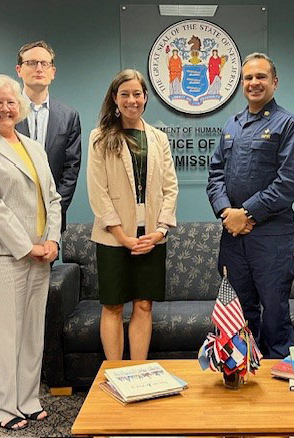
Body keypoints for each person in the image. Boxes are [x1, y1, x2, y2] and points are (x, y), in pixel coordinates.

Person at [0, 74, 61, 430]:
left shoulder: (33, 147)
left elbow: (52, 198)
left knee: (32, 331)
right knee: (4, 333)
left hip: (40, 253)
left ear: (20, 108)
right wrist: (27, 246)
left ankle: (27, 400)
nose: (5, 108)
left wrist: (53, 241)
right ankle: (2, 407)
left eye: (11, 102)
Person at [206, 52, 294, 359]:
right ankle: (241, 378)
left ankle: (277, 394)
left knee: (275, 314)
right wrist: (227, 213)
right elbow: (215, 176)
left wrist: (246, 213)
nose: (254, 83)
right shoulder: (231, 125)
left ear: (274, 82)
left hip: (271, 239)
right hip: (234, 239)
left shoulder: (288, 125)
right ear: (241, 84)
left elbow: (288, 182)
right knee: (238, 315)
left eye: (261, 77)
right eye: (248, 78)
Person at [87, 69, 178, 361]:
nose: (131, 100)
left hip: (151, 237)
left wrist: (161, 230)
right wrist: (122, 236)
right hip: (114, 238)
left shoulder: (159, 138)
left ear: (146, 98)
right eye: (125, 94)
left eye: (137, 94)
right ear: (115, 98)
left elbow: (170, 188)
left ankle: (137, 370)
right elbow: (98, 191)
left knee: (144, 305)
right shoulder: (100, 137)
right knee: (113, 306)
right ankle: (115, 372)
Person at [15, 40, 81, 235]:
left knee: (46, 266)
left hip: (51, 219)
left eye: (45, 64)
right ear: (19, 69)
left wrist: (54, 213)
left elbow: (71, 170)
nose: (39, 68)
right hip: (11, 218)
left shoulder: (69, 116)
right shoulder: (4, 113)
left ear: (53, 72)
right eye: (32, 63)